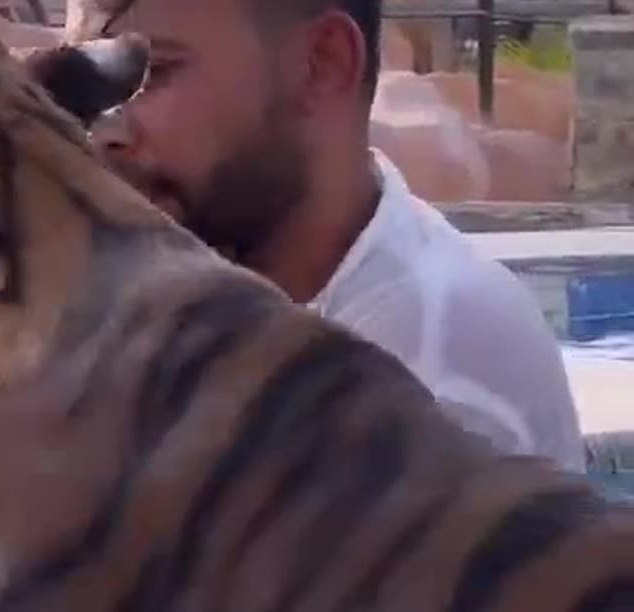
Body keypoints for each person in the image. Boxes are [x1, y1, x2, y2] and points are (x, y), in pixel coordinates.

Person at [63, 0, 586, 473]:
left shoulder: (430, 364)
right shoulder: (196, 309)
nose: (105, 130)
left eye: (152, 73)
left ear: (322, 65)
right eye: (94, 85)